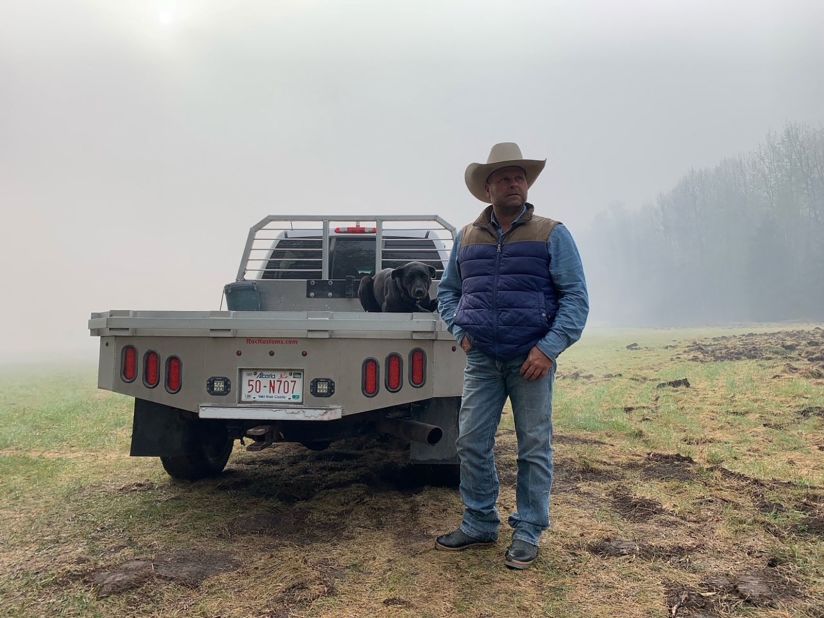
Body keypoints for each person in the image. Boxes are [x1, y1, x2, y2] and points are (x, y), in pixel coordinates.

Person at [435, 142, 589, 569]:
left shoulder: (551, 233)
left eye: (519, 176)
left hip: (531, 361)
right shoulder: (466, 237)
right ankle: (480, 521)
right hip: (483, 358)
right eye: (504, 177)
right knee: (469, 441)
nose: (513, 182)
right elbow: (448, 293)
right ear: (488, 189)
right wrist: (461, 330)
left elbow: (576, 298)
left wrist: (548, 349)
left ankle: (528, 529)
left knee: (534, 446)